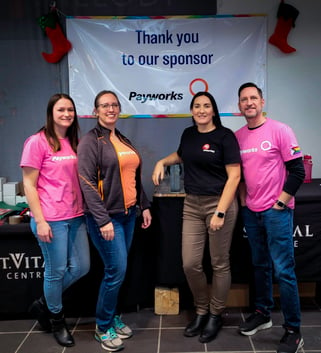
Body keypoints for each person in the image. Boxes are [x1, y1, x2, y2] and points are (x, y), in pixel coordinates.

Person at [152, 91, 241, 343]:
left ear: (214, 111)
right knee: (190, 263)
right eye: (197, 106)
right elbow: (181, 155)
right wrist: (162, 161)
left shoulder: (225, 137)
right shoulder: (188, 134)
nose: (202, 110)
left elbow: (234, 176)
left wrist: (220, 211)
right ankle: (201, 310)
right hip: (191, 204)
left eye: (207, 106)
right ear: (192, 111)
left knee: (219, 263)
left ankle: (215, 313)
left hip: (219, 203)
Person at [77, 90, 152, 352]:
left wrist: (143, 205)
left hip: (129, 214)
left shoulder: (121, 138)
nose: (110, 109)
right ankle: (103, 326)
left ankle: (112, 316)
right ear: (95, 111)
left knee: (118, 272)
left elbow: (133, 175)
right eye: (105, 105)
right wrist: (103, 220)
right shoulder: (90, 141)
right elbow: (86, 183)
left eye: (114, 105)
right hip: (107, 219)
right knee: (115, 271)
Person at [235, 82, 305, 353]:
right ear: (239, 106)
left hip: (276, 212)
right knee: (259, 265)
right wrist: (244, 203)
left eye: (253, 98)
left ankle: (293, 331)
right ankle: (263, 313)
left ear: (262, 102)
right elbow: (239, 175)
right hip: (251, 212)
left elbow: (297, 171)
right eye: (244, 99)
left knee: (284, 270)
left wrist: (280, 203)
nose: (249, 103)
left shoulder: (280, 130)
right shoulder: (239, 136)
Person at [20, 93, 90, 347]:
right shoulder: (37, 142)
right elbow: (28, 184)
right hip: (51, 218)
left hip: (76, 216)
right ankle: (57, 321)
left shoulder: (74, 141)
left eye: (70, 110)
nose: (66, 114)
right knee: (56, 271)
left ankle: (42, 304)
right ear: (51, 113)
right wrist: (39, 220)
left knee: (81, 268)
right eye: (61, 110)